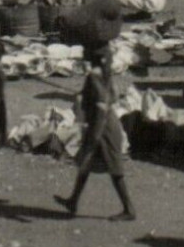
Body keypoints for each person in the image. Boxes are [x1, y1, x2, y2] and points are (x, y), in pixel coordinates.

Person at [56, 44, 136, 221]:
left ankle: (129, 209)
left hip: (102, 126)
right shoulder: (105, 74)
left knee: (113, 168)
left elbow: (101, 107)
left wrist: (94, 134)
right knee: (86, 162)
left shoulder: (94, 76)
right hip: (106, 123)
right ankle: (73, 201)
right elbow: (112, 97)